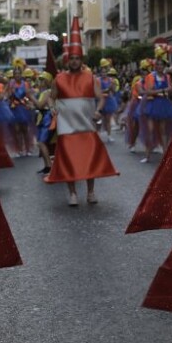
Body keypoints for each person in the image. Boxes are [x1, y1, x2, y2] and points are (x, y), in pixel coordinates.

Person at [44, 20, 118, 206]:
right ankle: (72, 194)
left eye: (77, 58)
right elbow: (51, 98)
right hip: (67, 128)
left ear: (81, 60)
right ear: (67, 60)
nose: (74, 61)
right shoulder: (59, 79)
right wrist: (53, 109)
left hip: (86, 126)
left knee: (89, 159)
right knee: (69, 161)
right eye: (72, 58)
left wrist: (99, 111)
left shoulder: (90, 77)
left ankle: (91, 192)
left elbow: (100, 98)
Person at [140, 46, 172, 163]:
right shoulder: (150, 76)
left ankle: (165, 155)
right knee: (150, 130)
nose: (159, 66)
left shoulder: (167, 77)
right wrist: (163, 90)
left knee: (163, 131)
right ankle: (147, 155)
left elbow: (169, 90)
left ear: (164, 66)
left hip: (164, 104)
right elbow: (147, 91)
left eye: (161, 65)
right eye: (157, 65)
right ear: (155, 66)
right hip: (152, 104)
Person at [33, 71, 57, 175]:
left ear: (47, 82)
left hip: (47, 118)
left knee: (41, 142)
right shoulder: (43, 92)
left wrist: (31, 97)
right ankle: (47, 166)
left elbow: (40, 105)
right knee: (40, 142)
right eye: (40, 79)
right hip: (42, 117)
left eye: (42, 80)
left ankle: (49, 166)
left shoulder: (48, 92)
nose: (40, 82)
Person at [98, 60, 120, 142]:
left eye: (105, 72)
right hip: (101, 101)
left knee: (108, 119)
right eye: (102, 72)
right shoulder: (98, 80)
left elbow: (114, 91)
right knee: (99, 119)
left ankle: (109, 135)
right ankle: (98, 134)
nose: (104, 74)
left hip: (109, 101)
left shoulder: (111, 80)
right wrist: (108, 89)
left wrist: (113, 86)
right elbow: (99, 91)